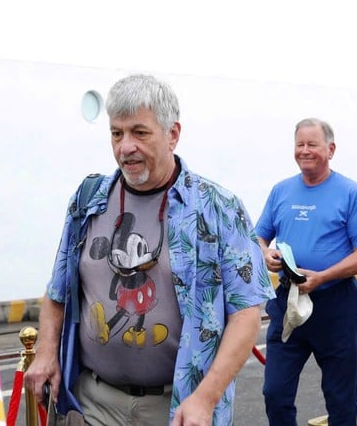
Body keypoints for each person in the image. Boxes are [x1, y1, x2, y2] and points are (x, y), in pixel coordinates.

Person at [26, 74, 274, 426]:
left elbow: (246, 314)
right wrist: (47, 352)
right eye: (117, 133)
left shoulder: (218, 207)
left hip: (177, 408)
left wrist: (206, 397)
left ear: (172, 134)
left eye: (139, 133)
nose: (125, 147)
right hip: (93, 403)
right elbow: (58, 290)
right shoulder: (88, 201)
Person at [255, 118, 357, 426]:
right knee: (275, 393)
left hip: (335, 304)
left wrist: (323, 276)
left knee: (339, 398)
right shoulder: (281, 191)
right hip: (288, 300)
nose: (304, 151)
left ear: (331, 149)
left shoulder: (351, 193)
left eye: (312, 144)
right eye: (299, 144)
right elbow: (258, 235)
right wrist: (264, 252)